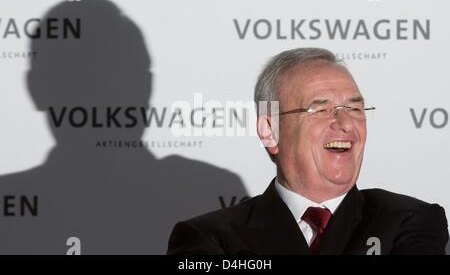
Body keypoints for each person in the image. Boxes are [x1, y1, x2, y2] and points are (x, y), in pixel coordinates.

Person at [167, 47, 448, 255]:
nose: (345, 124)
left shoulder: (408, 220)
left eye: (354, 108)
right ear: (269, 130)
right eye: (321, 109)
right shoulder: (209, 239)